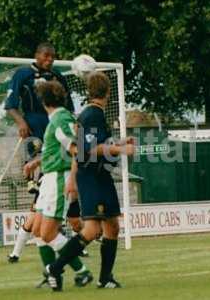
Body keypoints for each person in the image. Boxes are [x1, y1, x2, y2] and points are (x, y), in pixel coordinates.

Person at [45, 71, 135, 291]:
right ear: (108, 91)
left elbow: (83, 149)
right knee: (93, 229)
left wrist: (120, 141)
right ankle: (54, 268)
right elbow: (94, 150)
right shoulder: (92, 114)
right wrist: (122, 149)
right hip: (93, 177)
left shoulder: (91, 115)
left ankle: (105, 278)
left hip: (98, 176)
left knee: (112, 226)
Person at [4, 42, 80, 265]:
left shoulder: (57, 77)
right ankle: (69, 254)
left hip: (59, 155)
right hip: (38, 137)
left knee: (43, 213)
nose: (49, 60)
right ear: (36, 55)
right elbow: (10, 105)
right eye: (46, 56)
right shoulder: (23, 74)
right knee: (39, 209)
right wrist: (21, 122)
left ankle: (25, 254)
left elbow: (71, 109)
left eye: (53, 57)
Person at [23, 80, 93, 288]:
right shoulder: (57, 118)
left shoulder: (60, 118)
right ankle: (53, 275)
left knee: (47, 233)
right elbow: (59, 148)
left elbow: (76, 149)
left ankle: (81, 271)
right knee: (37, 229)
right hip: (49, 178)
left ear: (43, 101)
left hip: (58, 178)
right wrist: (36, 161)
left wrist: (72, 179)